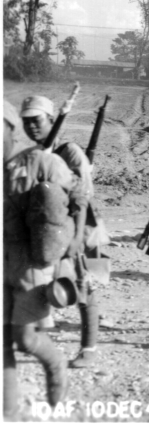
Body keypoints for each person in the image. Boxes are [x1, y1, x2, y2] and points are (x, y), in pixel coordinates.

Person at [20, 95, 108, 370]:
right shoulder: (30, 154)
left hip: (79, 225)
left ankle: (89, 348)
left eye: (37, 121)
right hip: (46, 228)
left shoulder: (69, 152)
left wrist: (77, 237)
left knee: (84, 285)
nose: (32, 127)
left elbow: (84, 195)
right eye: (27, 122)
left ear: (50, 120)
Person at [4, 101, 77, 415]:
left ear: (8, 130)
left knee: (25, 339)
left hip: (30, 263)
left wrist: (66, 257)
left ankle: (57, 363)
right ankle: (6, 413)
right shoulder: (10, 166)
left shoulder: (42, 162)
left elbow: (70, 207)